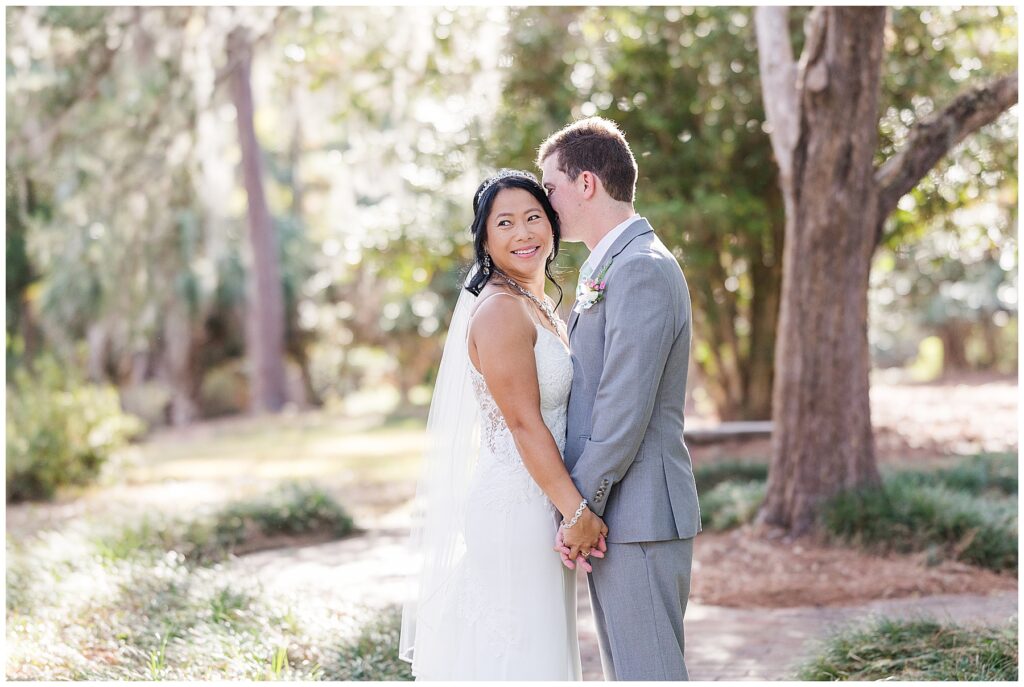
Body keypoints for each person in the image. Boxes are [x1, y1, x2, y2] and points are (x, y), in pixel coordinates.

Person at [399, 169, 607, 680]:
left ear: (552, 227)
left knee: (534, 653)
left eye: (534, 217)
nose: (523, 233)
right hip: (517, 507)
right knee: (519, 655)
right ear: (486, 240)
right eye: (506, 223)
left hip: (543, 502)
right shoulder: (498, 312)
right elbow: (522, 424)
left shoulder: (533, 304)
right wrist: (576, 511)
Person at [540, 117, 702, 681]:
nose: (546, 201)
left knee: (649, 675)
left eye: (551, 187)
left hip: (639, 515)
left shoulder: (641, 269)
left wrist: (581, 509)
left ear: (586, 184)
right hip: (621, 516)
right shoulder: (611, 263)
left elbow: (622, 409)